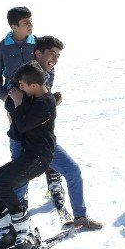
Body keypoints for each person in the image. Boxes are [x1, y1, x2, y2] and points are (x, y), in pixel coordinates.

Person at [0, 61, 57, 249]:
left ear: (33, 85)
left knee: (2, 185)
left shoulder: (45, 103)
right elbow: (13, 112)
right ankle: (8, 229)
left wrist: (18, 103)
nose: (19, 89)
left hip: (40, 157)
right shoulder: (30, 98)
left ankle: (25, 229)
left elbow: (22, 125)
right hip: (28, 155)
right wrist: (16, 99)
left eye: (22, 85)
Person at [31, 35, 102, 230]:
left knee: (72, 171)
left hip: (44, 137)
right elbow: (25, 111)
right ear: (38, 53)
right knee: (18, 187)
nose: (55, 59)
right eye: (52, 54)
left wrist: (51, 101)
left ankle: (80, 217)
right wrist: (52, 103)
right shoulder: (30, 75)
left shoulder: (46, 73)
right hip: (31, 140)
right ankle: (11, 230)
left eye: (58, 55)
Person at [0, 6, 36, 100]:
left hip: (37, 96)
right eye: (26, 23)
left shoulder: (38, 44)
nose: (30, 25)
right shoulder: (1, 48)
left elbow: (49, 67)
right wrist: (4, 97)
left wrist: (47, 89)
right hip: (14, 98)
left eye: (31, 21)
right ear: (14, 27)